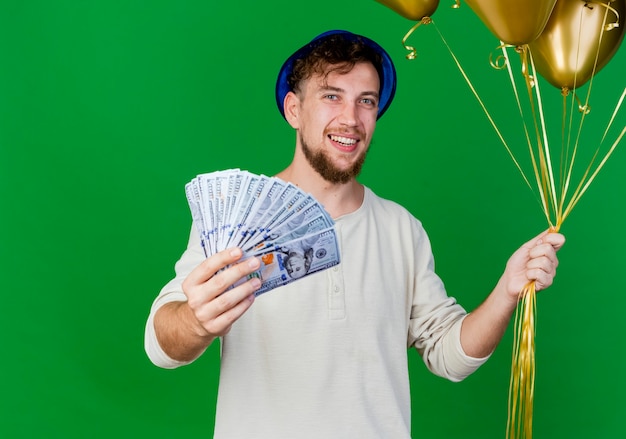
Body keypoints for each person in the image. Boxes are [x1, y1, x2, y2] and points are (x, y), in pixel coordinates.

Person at [145, 30, 565, 438]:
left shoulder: (402, 230)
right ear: (294, 109)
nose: (351, 118)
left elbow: (449, 357)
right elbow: (161, 344)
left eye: (366, 101)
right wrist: (196, 322)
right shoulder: (235, 219)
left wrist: (507, 290)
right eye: (332, 96)